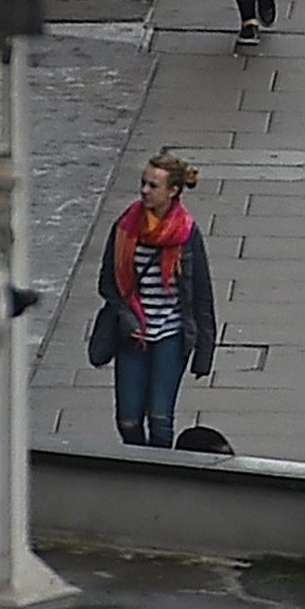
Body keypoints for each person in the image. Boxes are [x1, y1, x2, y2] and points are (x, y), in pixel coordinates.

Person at [90, 153, 216, 448]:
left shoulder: (186, 233)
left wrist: (204, 354)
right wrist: (126, 316)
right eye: (143, 183)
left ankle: (160, 479)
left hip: (171, 334)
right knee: (128, 420)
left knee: (160, 419)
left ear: (172, 191)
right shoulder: (125, 227)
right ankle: (139, 467)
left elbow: (201, 296)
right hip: (133, 335)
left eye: (153, 186)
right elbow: (108, 283)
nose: (145, 190)